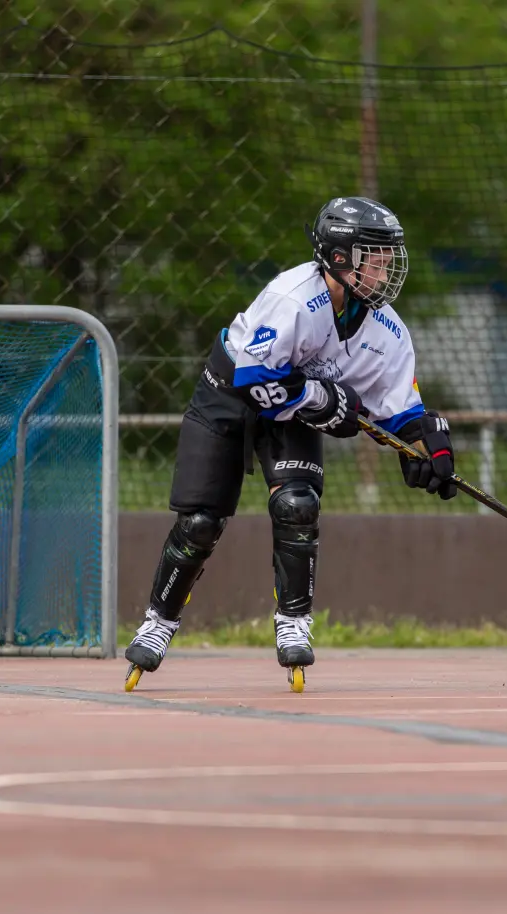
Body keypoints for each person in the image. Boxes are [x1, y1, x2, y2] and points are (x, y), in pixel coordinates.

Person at [123, 197, 458, 693]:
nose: (387, 269)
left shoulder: (388, 329)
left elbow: (399, 408)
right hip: (231, 393)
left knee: (297, 505)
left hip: (295, 407)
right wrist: (325, 398)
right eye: (377, 256)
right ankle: (159, 619)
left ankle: (294, 620)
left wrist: (428, 444)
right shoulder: (294, 299)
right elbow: (257, 379)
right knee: (199, 522)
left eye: (389, 258)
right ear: (341, 257)